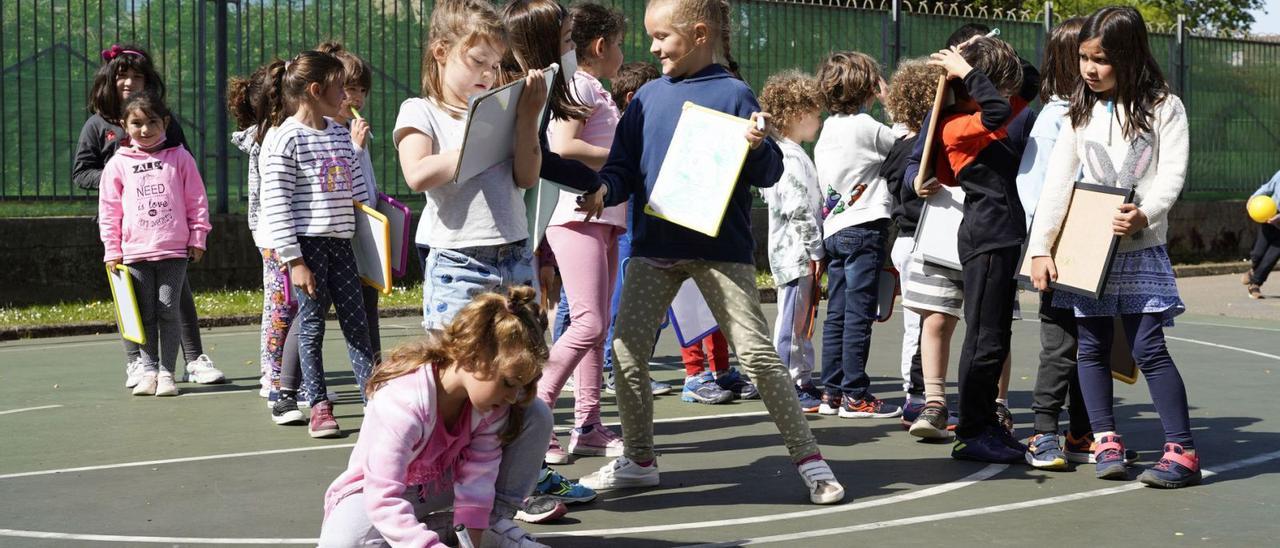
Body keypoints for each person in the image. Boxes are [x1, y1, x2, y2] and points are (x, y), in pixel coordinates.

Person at [575, 0, 845, 506]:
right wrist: (602, 193)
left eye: (663, 38)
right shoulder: (647, 98)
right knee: (627, 350)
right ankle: (639, 460)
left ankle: (810, 460)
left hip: (720, 251)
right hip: (654, 249)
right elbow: (622, 169)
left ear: (699, 34)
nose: (653, 48)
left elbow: (766, 174)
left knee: (758, 355)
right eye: (651, 38)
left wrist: (759, 145)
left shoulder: (735, 94)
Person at [395, 0, 597, 518]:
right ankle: (438, 492)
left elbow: (527, 176)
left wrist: (525, 119)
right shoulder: (422, 112)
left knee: (518, 384)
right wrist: (478, 132)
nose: (488, 75)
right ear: (442, 54)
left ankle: (509, 498)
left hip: (513, 259)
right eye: (477, 63)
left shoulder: (501, 106)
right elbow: (417, 175)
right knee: (462, 383)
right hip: (460, 261)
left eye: (494, 66)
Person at [1029, 6, 1199, 489]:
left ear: (1128, 56)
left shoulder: (1165, 106)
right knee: (1091, 346)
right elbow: (1059, 184)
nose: (1089, 69)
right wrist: (1042, 247)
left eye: (1100, 59)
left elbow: (1171, 174)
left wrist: (1146, 211)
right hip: (1086, 252)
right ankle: (1104, 440)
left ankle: (1181, 450)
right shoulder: (1079, 112)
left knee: (1148, 346)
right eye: (1084, 58)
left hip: (1140, 249)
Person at [318, 287, 560, 548]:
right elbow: (383, 498)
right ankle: (443, 532)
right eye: (509, 383)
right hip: (374, 492)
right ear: (475, 356)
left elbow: (477, 482)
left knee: (534, 413)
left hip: (438, 486)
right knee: (342, 543)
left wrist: (470, 542)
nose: (512, 397)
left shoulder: (490, 406)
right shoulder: (402, 402)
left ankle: (489, 525)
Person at [74, 43, 224, 388]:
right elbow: (82, 173)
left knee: (176, 298)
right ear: (109, 81)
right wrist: (123, 179)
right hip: (128, 233)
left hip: (169, 232)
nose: (128, 81)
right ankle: (137, 364)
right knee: (132, 301)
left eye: (136, 75)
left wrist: (193, 227)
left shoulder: (165, 125)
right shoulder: (97, 126)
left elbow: (186, 173)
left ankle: (194, 358)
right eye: (121, 75)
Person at [926, 35, 1039, 463]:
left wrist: (979, 51)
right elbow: (995, 108)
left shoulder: (987, 114)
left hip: (1003, 235)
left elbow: (1028, 83)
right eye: (997, 85)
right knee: (983, 339)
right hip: (986, 236)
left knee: (998, 337)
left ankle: (987, 422)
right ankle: (971, 431)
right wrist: (969, 72)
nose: (1006, 97)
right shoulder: (956, 124)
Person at [258, 50, 375, 439]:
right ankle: (320, 406)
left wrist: (358, 152)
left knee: (357, 324)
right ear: (314, 90)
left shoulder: (340, 135)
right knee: (311, 326)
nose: (347, 95)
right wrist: (295, 261)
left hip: (341, 246)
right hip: (307, 248)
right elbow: (276, 205)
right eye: (340, 87)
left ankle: (374, 402)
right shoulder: (286, 139)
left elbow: (358, 194)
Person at [537, 1, 630, 465]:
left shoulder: (595, 87)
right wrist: (620, 153)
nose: (623, 54)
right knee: (589, 321)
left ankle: (588, 424)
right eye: (620, 45)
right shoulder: (581, 84)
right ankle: (538, 411)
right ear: (601, 46)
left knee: (597, 326)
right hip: (577, 215)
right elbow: (563, 146)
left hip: (604, 216)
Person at [1018, 18, 1096, 470]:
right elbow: (1033, 189)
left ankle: (1083, 432)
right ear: (1072, 60)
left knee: (1095, 346)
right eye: (1088, 56)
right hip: (1059, 254)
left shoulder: (1104, 113)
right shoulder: (1053, 117)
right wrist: (1043, 249)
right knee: (1061, 345)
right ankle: (1043, 432)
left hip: (1095, 253)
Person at [98, 91, 211, 398]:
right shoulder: (118, 164)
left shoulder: (180, 157)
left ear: (166, 123)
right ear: (124, 125)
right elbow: (109, 211)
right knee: (144, 313)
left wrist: (197, 236)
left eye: (152, 122)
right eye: (137, 123)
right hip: (134, 254)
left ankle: (167, 373)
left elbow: (197, 201)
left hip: (174, 252)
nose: (145, 130)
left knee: (167, 310)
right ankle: (148, 370)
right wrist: (112, 250)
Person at [813, 51, 901, 419]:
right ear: (868, 87)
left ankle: (832, 391)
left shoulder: (827, 130)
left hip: (834, 228)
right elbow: (903, 143)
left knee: (838, 312)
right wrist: (891, 104)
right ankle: (856, 395)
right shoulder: (865, 126)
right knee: (860, 313)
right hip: (864, 227)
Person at [229, 64, 300, 412]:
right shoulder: (273, 138)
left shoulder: (281, 133)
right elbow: (270, 197)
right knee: (281, 308)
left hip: (278, 235)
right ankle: (274, 379)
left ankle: (282, 376)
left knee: (288, 306)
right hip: (277, 237)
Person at [881, 57, 945, 428]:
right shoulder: (921, 146)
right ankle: (917, 395)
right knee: (924, 323)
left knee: (915, 324)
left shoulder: (896, 146)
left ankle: (914, 393)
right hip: (920, 239)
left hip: (904, 240)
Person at [758, 69, 826, 413]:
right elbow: (799, 206)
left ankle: (800, 378)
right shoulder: (791, 157)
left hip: (795, 252)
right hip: (797, 254)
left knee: (801, 318)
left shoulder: (784, 153)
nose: (818, 122)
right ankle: (785, 381)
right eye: (815, 115)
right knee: (791, 319)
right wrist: (816, 247)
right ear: (799, 116)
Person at [317, 41, 385, 363]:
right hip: (334, 235)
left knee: (368, 302)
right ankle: (288, 383)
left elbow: (364, 182)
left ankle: (375, 368)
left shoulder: (355, 130)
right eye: (347, 89)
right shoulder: (330, 133)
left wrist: (379, 201)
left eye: (360, 89)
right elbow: (339, 183)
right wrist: (355, 149)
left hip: (363, 230)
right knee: (315, 310)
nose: (355, 98)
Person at [1244, 170, 1280, 299]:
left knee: (1270, 259)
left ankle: (1255, 285)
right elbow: (1267, 187)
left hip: (1278, 218)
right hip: (1269, 214)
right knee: (1257, 254)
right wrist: (1253, 197)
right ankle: (1253, 270)